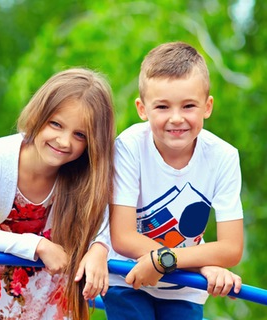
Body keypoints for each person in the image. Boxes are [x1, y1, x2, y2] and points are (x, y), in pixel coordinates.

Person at [104, 41, 244, 320]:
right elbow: (123, 238)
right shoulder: (129, 147)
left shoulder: (223, 156)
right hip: (127, 274)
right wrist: (201, 264)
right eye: (163, 107)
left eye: (189, 106)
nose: (176, 118)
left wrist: (168, 261)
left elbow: (231, 248)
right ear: (142, 109)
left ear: (208, 106)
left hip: (184, 285)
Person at [0, 68, 116, 320]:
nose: (64, 141)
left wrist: (99, 248)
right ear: (39, 115)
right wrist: (39, 245)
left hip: (51, 297)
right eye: (56, 124)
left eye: (80, 135)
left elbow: (108, 222)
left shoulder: (87, 176)